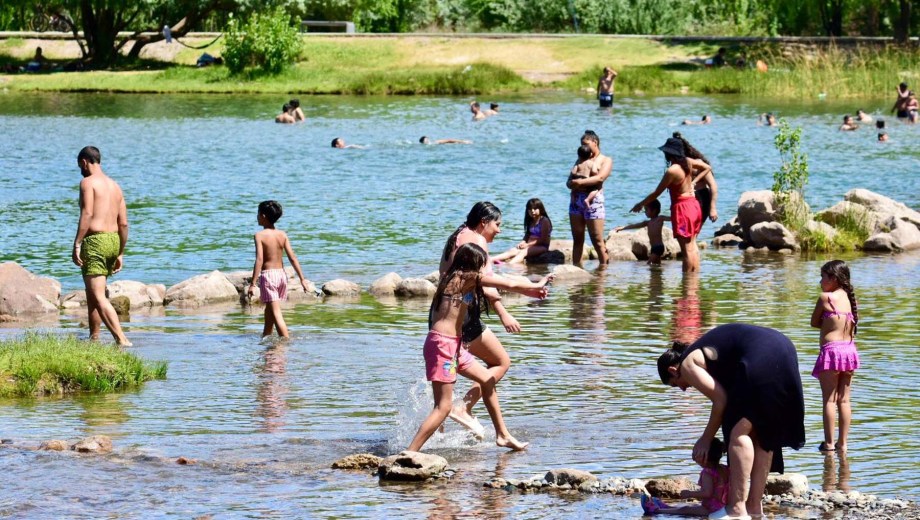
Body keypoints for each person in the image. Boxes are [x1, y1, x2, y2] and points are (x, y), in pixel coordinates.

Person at [407, 243, 552, 452]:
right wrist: (537, 285)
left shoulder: (452, 277)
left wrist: (531, 291)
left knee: (486, 379)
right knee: (443, 406)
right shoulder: (466, 277)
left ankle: (502, 435)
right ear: (473, 264)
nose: (483, 270)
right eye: (482, 265)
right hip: (443, 346)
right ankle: (409, 453)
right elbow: (508, 283)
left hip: (453, 346)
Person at [657, 323, 806, 519]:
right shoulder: (706, 350)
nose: (684, 388)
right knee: (763, 434)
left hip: (762, 357)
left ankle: (736, 509)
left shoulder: (687, 364)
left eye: (676, 384)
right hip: (784, 349)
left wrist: (706, 438)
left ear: (673, 370)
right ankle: (754, 508)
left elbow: (721, 400)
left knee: (738, 433)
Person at [438, 202, 527, 448]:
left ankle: (440, 432)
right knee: (501, 362)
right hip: (462, 317)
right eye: (497, 224)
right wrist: (503, 313)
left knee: (450, 375)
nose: (498, 231)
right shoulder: (477, 241)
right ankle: (463, 408)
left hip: (443, 314)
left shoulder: (457, 235)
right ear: (483, 222)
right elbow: (486, 283)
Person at [72, 146, 132, 346]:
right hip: (113, 240)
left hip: (95, 241)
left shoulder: (87, 183)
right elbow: (123, 223)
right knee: (93, 295)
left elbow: (87, 213)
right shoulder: (115, 186)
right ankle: (94, 339)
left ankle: (121, 339)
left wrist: (78, 243)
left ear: (84, 162)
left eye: (79, 166)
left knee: (98, 296)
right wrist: (120, 252)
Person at [632, 137, 711, 272]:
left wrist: (640, 204)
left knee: (686, 251)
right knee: (692, 247)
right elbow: (707, 167)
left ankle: (687, 286)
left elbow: (657, 193)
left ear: (668, 153)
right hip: (694, 205)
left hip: (682, 208)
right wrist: (693, 182)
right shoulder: (687, 162)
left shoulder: (672, 170)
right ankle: (693, 284)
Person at [810, 260, 860, 453]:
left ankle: (829, 444)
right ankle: (843, 444)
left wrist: (827, 322)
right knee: (844, 400)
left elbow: (814, 322)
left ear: (834, 278)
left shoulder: (826, 298)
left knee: (829, 400)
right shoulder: (851, 299)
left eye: (823, 277)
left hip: (831, 351)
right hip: (849, 351)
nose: (820, 281)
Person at [247, 200, 309, 339]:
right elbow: (292, 257)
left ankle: (285, 341)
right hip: (281, 276)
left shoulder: (259, 235)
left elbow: (260, 260)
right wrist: (302, 279)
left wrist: (252, 284)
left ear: (263, 216)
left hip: (268, 277)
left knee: (276, 312)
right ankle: (266, 337)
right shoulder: (282, 234)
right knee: (269, 310)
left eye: (258, 214)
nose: (257, 217)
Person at [641, 437, 730, 516]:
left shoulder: (707, 473)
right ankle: (666, 507)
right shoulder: (724, 468)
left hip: (712, 509)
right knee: (692, 506)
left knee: (685, 509)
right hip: (723, 507)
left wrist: (689, 493)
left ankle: (656, 511)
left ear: (704, 457)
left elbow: (707, 493)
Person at [567, 130, 612, 266]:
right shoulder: (580, 159)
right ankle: (576, 269)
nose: (583, 147)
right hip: (576, 201)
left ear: (595, 142)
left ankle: (603, 271)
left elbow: (600, 177)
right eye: (581, 144)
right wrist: (572, 184)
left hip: (593, 202)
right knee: (578, 239)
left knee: (597, 240)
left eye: (585, 144)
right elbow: (569, 181)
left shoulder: (605, 160)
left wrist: (579, 183)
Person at [673, 132, 719, 226]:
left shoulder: (699, 164)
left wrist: (713, 208)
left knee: (694, 230)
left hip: (701, 197)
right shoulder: (678, 165)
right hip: (687, 200)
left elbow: (713, 185)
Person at [492, 198, 553, 264]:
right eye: (530, 209)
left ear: (540, 209)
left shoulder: (544, 221)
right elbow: (527, 234)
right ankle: (490, 259)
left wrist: (527, 245)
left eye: (535, 209)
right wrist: (523, 242)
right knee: (513, 250)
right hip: (530, 245)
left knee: (523, 252)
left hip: (542, 246)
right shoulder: (531, 220)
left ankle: (508, 265)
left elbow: (542, 239)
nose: (532, 211)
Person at [614, 199, 669, 265]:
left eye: (646, 210)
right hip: (653, 248)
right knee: (656, 266)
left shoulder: (660, 219)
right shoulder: (647, 223)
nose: (645, 212)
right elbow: (635, 226)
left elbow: (673, 218)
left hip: (659, 247)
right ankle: (658, 275)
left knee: (649, 264)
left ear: (654, 211)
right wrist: (622, 228)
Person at [568, 144, 601, 208]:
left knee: (573, 191)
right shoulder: (591, 163)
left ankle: (573, 199)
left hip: (577, 179)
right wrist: (597, 173)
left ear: (578, 155)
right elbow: (594, 172)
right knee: (595, 190)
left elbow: (573, 171)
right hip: (586, 180)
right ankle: (588, 199)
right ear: (591, 154)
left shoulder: (578, 163)